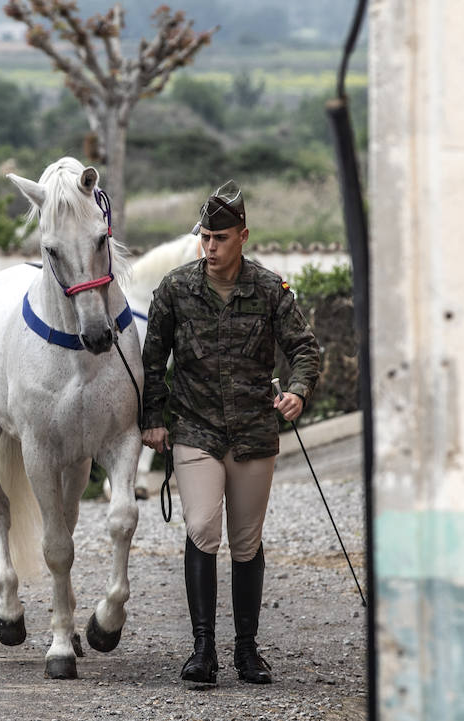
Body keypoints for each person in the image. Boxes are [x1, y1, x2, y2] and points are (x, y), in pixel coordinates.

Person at [140, 180, 321, 686]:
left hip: (253, 431)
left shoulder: (269, 290)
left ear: (243, 236)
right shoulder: (175, 290)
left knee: (245, 540)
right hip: (196, 428)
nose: (211, 248)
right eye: (205, 238)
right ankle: (203, 650)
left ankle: (247, 649)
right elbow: (152, 361)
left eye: (220, 238)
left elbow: (304, 349)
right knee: (201, 527)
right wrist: (153, 419)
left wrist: (299, 392)